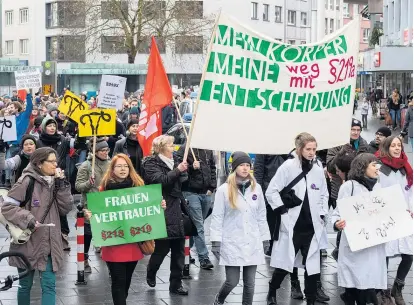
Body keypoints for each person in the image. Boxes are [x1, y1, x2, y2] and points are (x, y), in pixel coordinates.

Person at [84, 153, 166, 305]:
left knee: (126, 281)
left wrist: (159, 205)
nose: (122, 169)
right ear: (112, 169)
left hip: (134, 242)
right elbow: (100, 212)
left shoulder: (139, 187)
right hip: (114, 242)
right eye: (119, 166)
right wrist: (91, 215)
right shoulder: (104, 189)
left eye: (125, 166)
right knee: (118, 281)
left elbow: (148, 209)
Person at [1, 147, 73, 305]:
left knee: (49, 285)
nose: (56, 165)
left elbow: (66, 208)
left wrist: (62, 185)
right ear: (39, 163)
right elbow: (7, 207)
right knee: (25, 285)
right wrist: (28, 219)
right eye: (51, 162)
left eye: (56, 161)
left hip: (50, 243)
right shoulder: (26, 180)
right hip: (28, 242)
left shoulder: (56, 181)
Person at [266, 133, 329, 305]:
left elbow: (324, 193)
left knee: (312, 268)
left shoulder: (317, 168)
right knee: (284, 264)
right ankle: (272, 290)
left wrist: (322, 213)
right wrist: (282, 211)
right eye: (308, 149)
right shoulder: (288, 167)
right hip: (292, 225)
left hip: (312, 226)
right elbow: (271, 191)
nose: (312, 153)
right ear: (299, 149)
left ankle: (311, 299)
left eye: (314, 149)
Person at [210, 152, 270, 305]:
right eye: (242, 165)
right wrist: (216, 241)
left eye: (248, 165)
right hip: (232, 241)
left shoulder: (257, 189)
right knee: (232, 281)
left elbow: (262, 215)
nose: (245, 168)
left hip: (252, 241)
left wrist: (265, 238)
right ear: (234, 167)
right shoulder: (224, 190)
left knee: (250, 284)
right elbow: (217, 216)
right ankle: (220, 298)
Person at [332, 153, 387, 305]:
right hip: (355, 246)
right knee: (356, 284)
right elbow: (337, 213)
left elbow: (387, 212)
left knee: (370, 283)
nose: (377, 168)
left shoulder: (379, 186)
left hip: (374, 245)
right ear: (363, 167)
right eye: (373, 165)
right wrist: (337, 223)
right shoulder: (348, 187)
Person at [143, 135, 190, 295]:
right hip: (162, 207)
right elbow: (160, 180)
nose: (173, 147)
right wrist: (178, 170)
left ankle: (176, 285)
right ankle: (151, 270)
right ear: (161, 147)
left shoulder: (176, 160)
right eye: (170, 145)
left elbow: (183, 179)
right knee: (162, 248)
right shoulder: (150, 162)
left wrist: (188, 169)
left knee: (179, 251)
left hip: (177, 207)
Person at [376, 136, 413, 305]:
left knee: (408, 254)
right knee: (385, 253)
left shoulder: (406, 167)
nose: (397, 148)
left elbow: (410, 191)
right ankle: (383, 290)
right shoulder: (379, 167)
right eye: (393, 145)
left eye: (399, 145)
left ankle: (397, 288)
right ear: (387, 147)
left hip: (404, 216)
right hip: (386, 217)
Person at [176, 145, 216, 269]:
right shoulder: (185, 150)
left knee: (196, 225)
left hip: (206, 193)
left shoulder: (207, 149)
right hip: (191, 193)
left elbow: (212, 168)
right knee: (199, 225)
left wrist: (212, 187)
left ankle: (185, 253)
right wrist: (192, 168)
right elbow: (178, 171)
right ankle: (204, 258)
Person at [75, 138, 111, 273]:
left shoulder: (111, 163)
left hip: (107, 205)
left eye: (106, 150)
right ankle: (84, 259)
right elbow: (78, 187)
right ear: (95, 152)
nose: (105, 153)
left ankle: (109, 259)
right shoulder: (86, 166)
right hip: (90, 205)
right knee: (87, 234)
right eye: (102, 150)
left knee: (107, 233)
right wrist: (89, 183)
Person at [327, 119, 369, 209]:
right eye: (353, 129)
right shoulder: (336, 143)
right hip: (339, 189)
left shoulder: (364, 144)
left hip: (358, 191)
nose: (356, 132)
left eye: (358, 130)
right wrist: (342, 152)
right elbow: (330, 167)